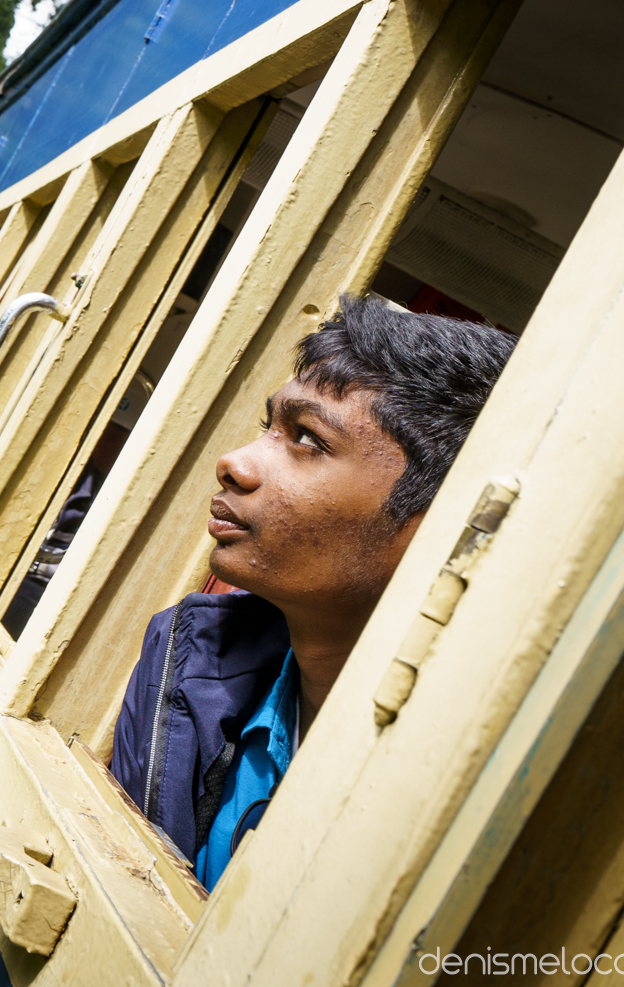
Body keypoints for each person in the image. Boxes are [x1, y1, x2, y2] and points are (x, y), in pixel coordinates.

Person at [108, 294, 516, 891]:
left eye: (307, 439)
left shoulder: (463, 788)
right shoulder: (186, 656)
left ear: (437, 522)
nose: (235, 463)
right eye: (268, 427)